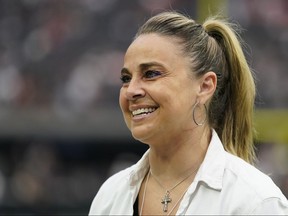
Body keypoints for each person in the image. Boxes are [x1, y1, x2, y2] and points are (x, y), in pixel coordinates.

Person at [89, 11, 288, 215]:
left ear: (204, 86)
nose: (131, 90)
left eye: (151, 74)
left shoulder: (255, 202)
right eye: (126, 78)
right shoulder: (110, 196)